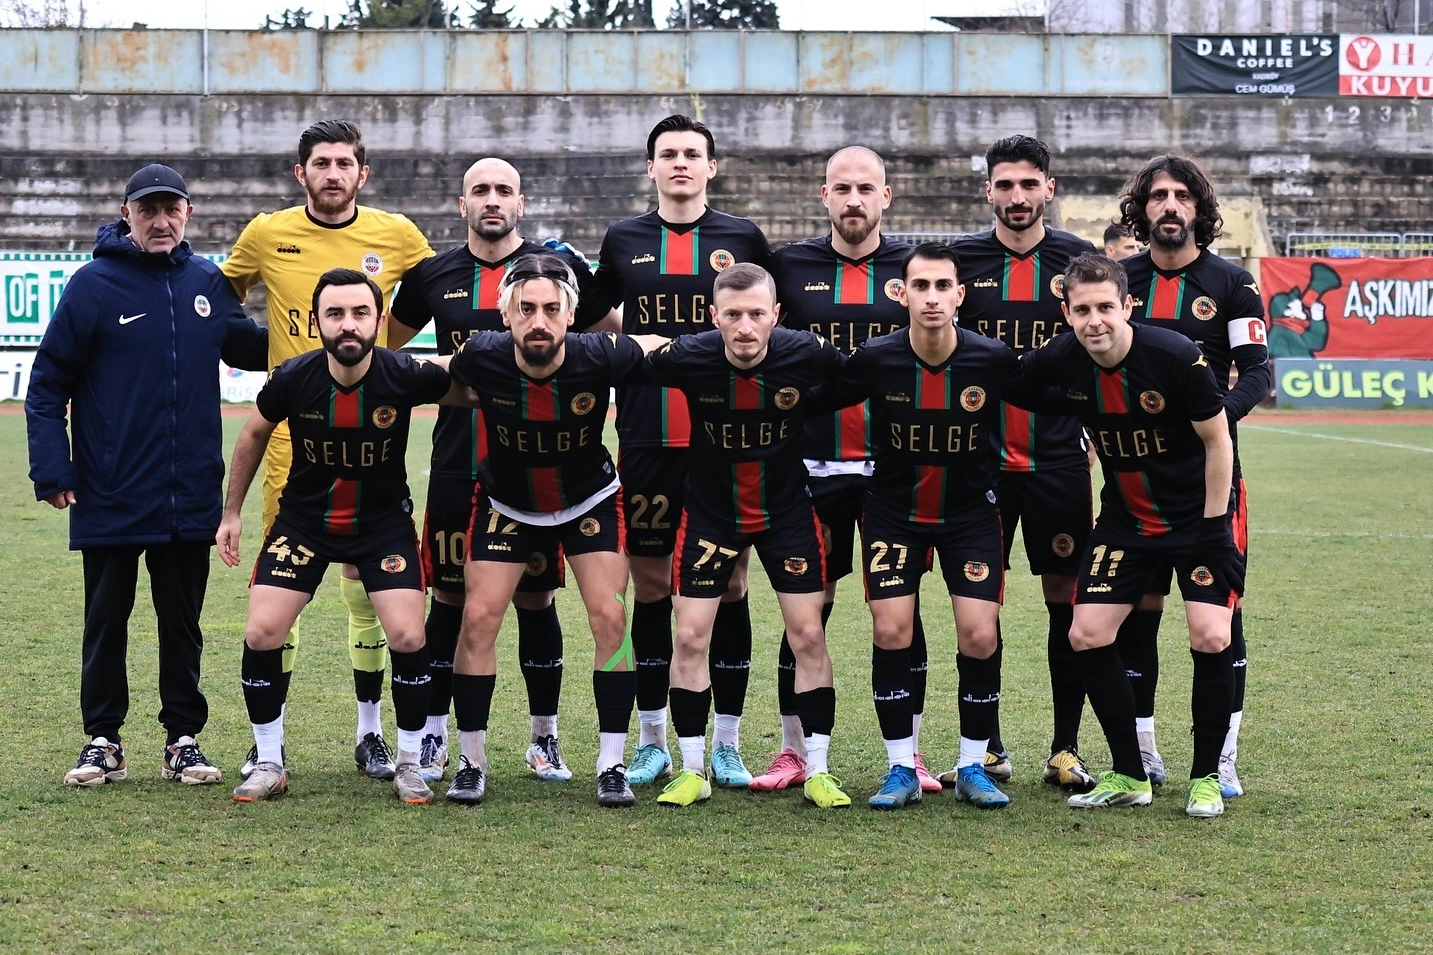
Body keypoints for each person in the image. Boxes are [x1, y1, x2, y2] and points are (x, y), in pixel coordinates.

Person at [27, 163, 267, 788]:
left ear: (188, 213)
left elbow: (248, 346)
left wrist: (316, 328)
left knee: (181, 623)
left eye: (171, 209)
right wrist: (52, 467)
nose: (161, 221)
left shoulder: (206, 281)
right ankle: (102, 740)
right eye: (148, 210)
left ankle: (182, 739)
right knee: (106, 620)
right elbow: (48, 383)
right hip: (110, 486)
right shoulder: (93, 285)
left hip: (190, 490)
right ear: (126, 214)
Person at [222, 120, 434, 781]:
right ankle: (269, 745)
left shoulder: (397, 234)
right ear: (301, 172)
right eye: (321, 163)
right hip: (292, 446)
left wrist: (388, 350)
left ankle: (372, 733)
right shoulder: (266, 232)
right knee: (276, 604)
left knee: (368, 595)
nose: (333, 173)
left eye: (345, 163)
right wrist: (254, 349)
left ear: (362, 173)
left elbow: (438, 292)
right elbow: (217, 298)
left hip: (372, 439)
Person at [387, 158, 611, 784]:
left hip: (543, 473)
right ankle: (436, 735)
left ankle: (545, 738)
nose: (492, 200)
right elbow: (386, 351)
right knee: (449, 598)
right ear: (462, 204)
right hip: (458, 465)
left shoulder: (557, 271)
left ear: (521, 202)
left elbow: (608, 340)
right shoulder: (432, 275)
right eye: (480, 191)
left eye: (504, 190)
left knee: (537, 599)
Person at [1017, 252, 1242, 819]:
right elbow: (1015, 381)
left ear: (1127, 306)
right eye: (1082, 310)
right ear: (1066, 313)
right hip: (1126, 521)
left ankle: (1206, 778)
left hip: (1198, 517)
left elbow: (1218, 441)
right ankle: (1129, 774)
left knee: (1211, 636)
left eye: (1105, 308)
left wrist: (1215, 530)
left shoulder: (1175, 355)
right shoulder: (1063, 357)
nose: (1095, 321)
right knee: (1087, 633)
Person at [218, 268, 456, 805]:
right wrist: (231, 512)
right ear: (317, 321)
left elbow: (471, 381)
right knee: (262, 632)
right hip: (304, 524)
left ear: (378, 320)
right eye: (336, 314)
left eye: (360, 313)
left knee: (409, 637)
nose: (348, 324)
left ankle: (410, 763)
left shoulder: (404, 373)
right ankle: (269, 761)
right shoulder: (293, 377)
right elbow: (253, 433)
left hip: (382, 528)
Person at [439, 252, 664, 807]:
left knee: (611, 618)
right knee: (478, 620)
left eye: (550, 309)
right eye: (526, 308)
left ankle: (611, 764)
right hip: (508, 502)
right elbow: (422, 377)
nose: (538, 320)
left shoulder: (601, 353)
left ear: (571, 314)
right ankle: (471, 762)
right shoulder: (482, 354)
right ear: (505, 314)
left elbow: (663, 346)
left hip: (589, 499)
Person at [595, 114, 774, 788]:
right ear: (651, 167)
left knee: (730, 584)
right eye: (667, 153)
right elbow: (592, 314)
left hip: (722, 440)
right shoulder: (624, 239)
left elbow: (767, 316)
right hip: (646, 435)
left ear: (710, 166)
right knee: (650, 587)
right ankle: (651, 741)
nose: (679, 163)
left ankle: (726, 741)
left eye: (691, 154)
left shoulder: (741, 237)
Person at [815, 244, 1024, 810]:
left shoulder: (992, 359)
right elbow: (815, 396)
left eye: (943, 286)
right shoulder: (875, 358)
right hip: (893, 515)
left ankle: (973, 765)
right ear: (901, 294)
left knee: (979, 634)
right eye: (921, 286)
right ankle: (901, 767)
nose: (932, 297)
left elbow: (1054, 391)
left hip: (970, 517)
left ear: (960, 295)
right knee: (891, 632)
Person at [642, 263, 850, 809]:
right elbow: (624, 360)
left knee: (808, 635)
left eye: (757, 314)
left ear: (775, 315)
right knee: (690, 637)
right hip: (711, 517)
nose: (745, 327)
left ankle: (818, 768)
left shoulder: (805, 351)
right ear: (714, 316)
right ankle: (692, 770)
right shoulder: (690, 355)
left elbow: (857, 376)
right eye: (733, 315)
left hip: (787, 516)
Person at [766, 146, 931, 792]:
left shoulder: (914, 270)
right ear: (824, 195)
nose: (854, 199)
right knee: (808, 611)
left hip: (894, 471)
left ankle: (911, 751)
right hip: (811, 467)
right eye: (842, 188)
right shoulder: (789, 267)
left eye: (866, 188)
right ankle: (793, 750)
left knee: (900, 611)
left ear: (886, 196)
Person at [1119, 155, 1271, 798]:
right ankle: (1143, 749)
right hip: (1134, 479)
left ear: (1199, 209)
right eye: (1158, 196)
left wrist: (1213, 419)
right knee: (1139, 614)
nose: (1170, 206)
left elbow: (1258, 372)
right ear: (1142, 209)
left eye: (1182, 196)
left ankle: (1223, 755)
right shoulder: (1121, 280)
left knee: (1218, 619)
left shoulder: (1232, 283)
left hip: (1211, 475)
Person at [950, 135, 1099, 791]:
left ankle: (1065, 747)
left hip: (1057, 462)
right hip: (977, 466)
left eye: (1028, 183)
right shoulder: (960, 261)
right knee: (978, 608)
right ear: (988, 189)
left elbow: (1100, 349)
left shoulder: (1078, 260)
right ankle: (985, 747)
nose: (1017, 196)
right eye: (1005, 184)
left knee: (1066, 602)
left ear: (1049, 188)